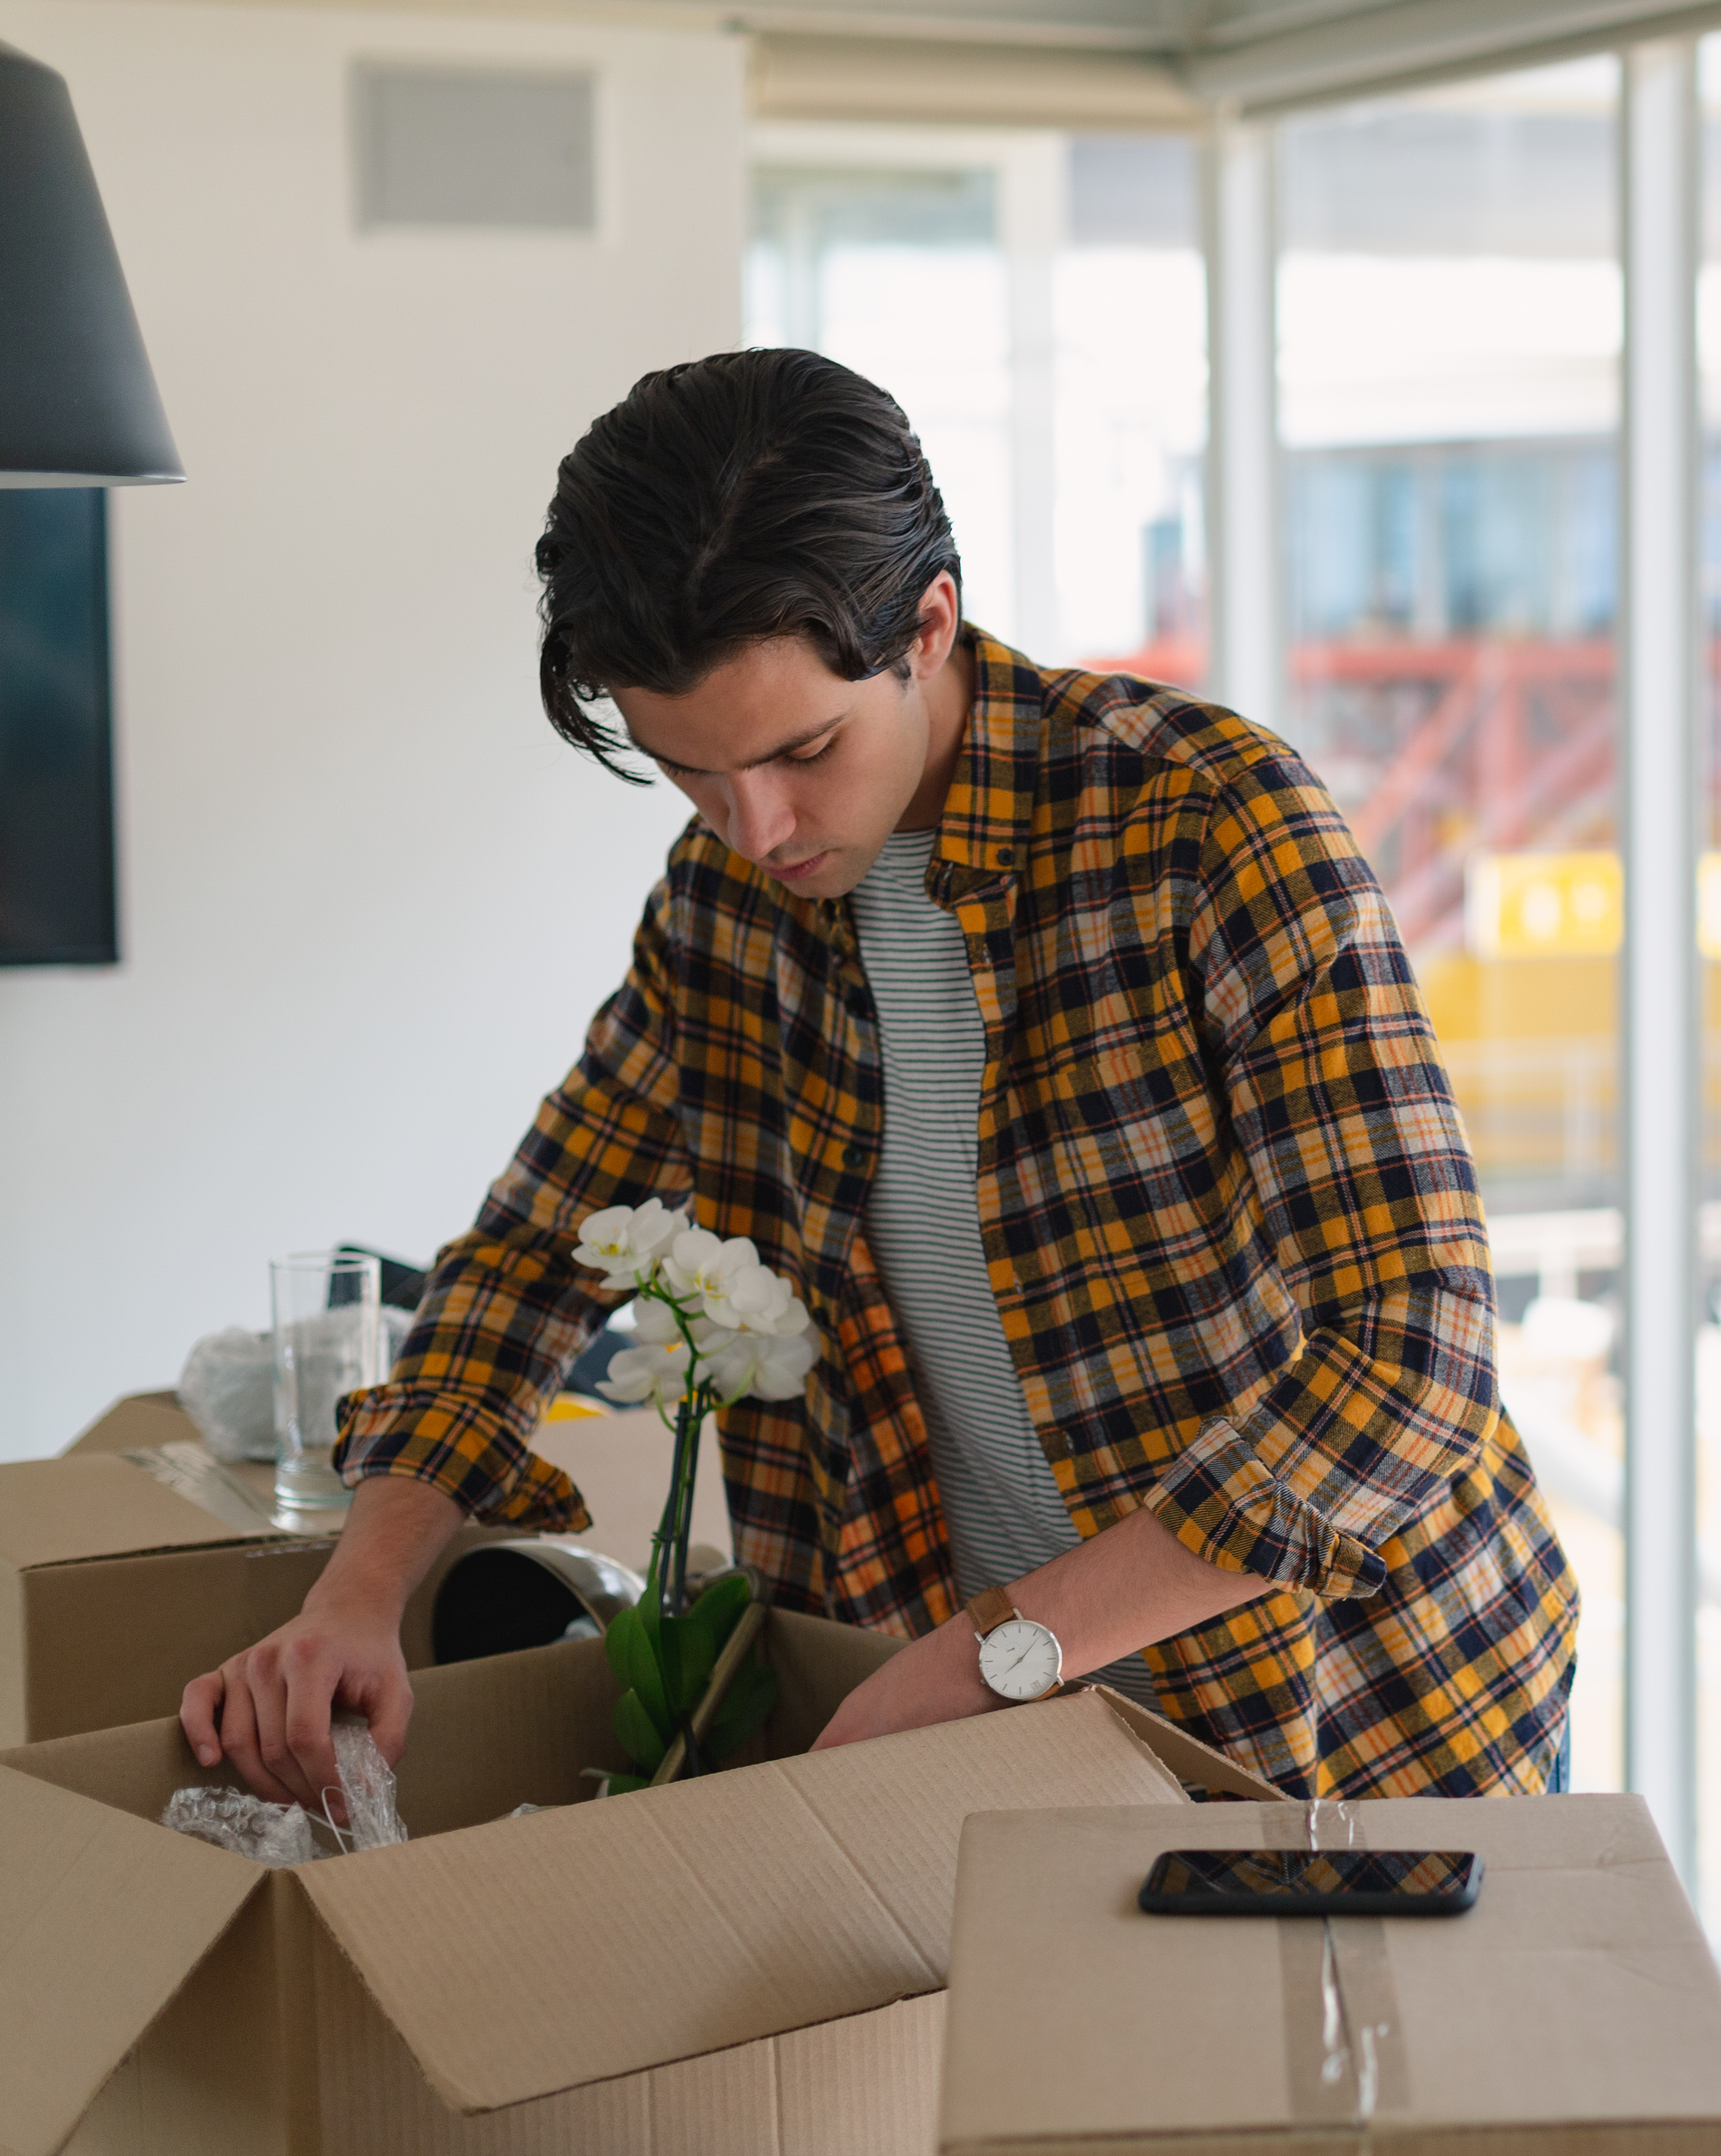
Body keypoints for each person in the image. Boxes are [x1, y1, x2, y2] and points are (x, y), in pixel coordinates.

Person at [181, 348, 1576, 1809]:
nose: (756, 826)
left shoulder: (1204, 827)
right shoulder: (722, 914)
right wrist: (360, 1593)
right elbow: (534, 1254)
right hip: (999, 1732)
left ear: (930, 624)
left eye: (803, 751)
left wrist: (1006, 1650)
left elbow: (1416, 1352)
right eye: (693, 776)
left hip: (1364, 1724)